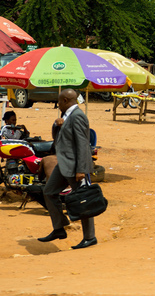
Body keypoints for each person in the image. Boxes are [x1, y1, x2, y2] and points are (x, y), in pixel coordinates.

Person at [38, 89, 97, 249]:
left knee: (83, 200)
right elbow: (58, 139)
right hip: (63, 164)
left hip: (75, 166)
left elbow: (83, 144)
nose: (57, 104)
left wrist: (81, 169)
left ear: (65, 100)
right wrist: (57, 125)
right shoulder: (66, 116)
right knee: (49, 192)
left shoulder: (78, 116)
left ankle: (90, 237)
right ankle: (59, 227)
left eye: (58, 101)